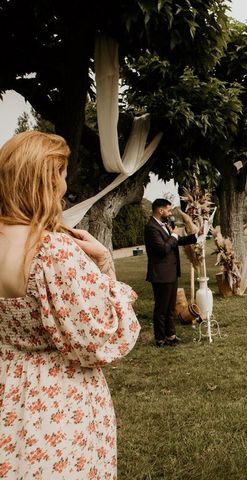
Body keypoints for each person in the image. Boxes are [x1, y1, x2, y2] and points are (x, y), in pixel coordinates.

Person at [0, 131, 140, 478]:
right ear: (45, 181)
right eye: (62, 175)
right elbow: (102, 338)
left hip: (7, 388)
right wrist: (106, 264)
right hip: (57, 403)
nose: (65, 186)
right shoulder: (53, 253)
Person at [145, 198, 198, 347]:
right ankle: (160, 339)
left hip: (171, 272)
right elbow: (163, 249)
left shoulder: (165, 225)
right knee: (161, 308)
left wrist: (195, 236)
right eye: (168, 210)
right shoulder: (151, 228)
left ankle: (171, 336)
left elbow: (177, 241)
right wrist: (173, 236)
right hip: (161, 274)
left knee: (170, 308)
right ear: (160, 210)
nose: (170, 213)